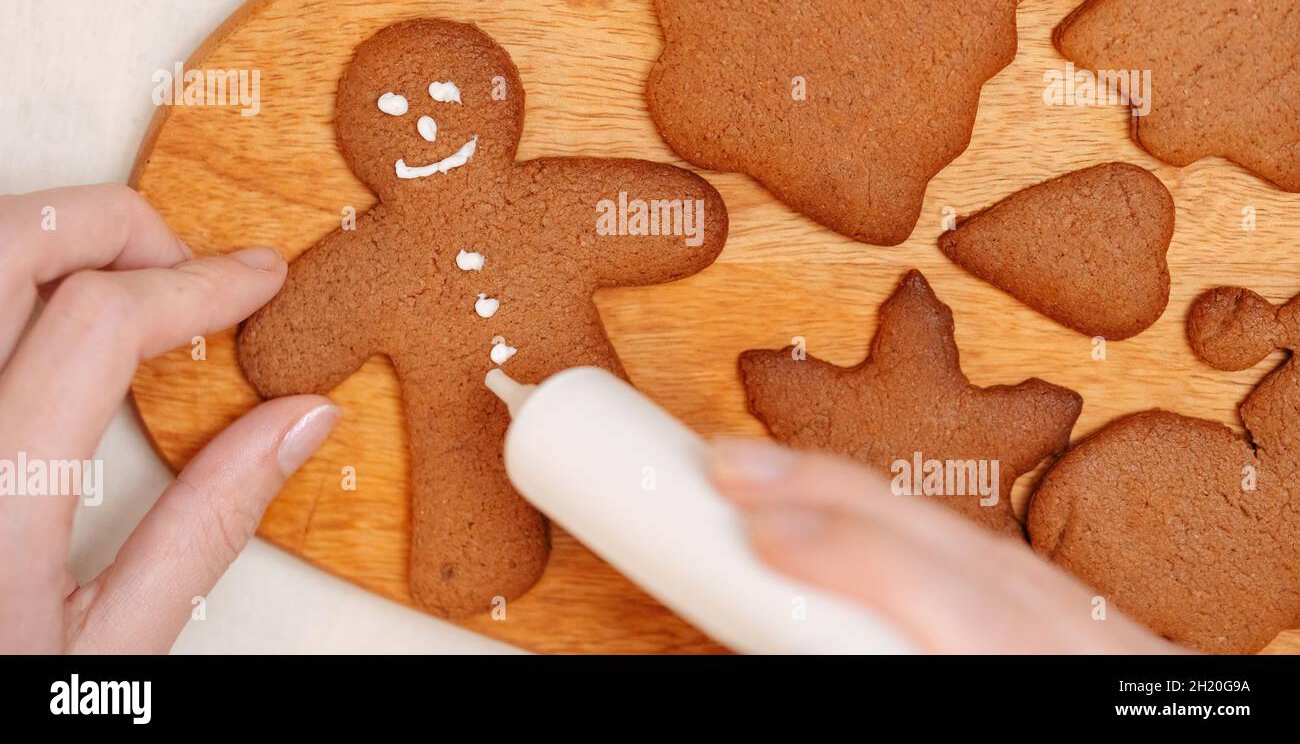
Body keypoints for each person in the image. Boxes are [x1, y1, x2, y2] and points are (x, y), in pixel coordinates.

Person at [0, 184, 1177, 654]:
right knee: (473, 513)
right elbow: (300, 334)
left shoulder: (541, 202)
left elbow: (657, 215)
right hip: (475, 442)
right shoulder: (381, 251)